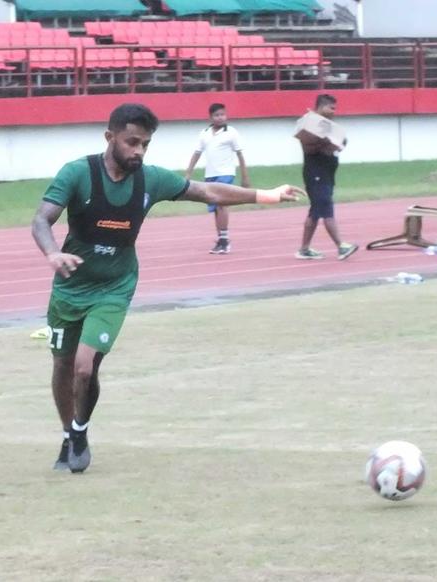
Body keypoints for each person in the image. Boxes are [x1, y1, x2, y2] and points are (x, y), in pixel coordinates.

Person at [31, 103, 304, 474]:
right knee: (62, 365)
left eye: (145, 144)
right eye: (132, 142)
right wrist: (51, 253)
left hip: (115, 286)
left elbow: (206, 191)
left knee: (84, 368)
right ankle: (68, 433)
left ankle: (80, 430)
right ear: (110, 137)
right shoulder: (78, 173)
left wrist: (266, 195)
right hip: (70, 286)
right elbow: (42, 219)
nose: (139, 151)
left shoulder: (151, 179)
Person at [294, 94, 358, 261]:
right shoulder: (310, 125)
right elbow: (308, 148)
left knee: (315, 212)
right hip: (316, 174)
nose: (334, 111)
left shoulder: (329, 127)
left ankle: (304, 249)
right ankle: (341, 246)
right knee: (326, 208)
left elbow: (341, 142)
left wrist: (338, 142)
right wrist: (324, 144)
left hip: (326, 173)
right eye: (331, 108)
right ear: (321, 107)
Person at [183, 103, 251, 254]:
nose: (220, 118)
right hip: (210, 175)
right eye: (217, 115)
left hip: (226, 173)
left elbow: (240, 154)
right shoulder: (205, 133)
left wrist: (245, 176)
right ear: (211, 117)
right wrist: (188, 172)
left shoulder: (231, 133)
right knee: (214, 207)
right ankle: (221, 239)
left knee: (222, 203)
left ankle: (225, 240)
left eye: (223, 115)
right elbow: (197, 153)